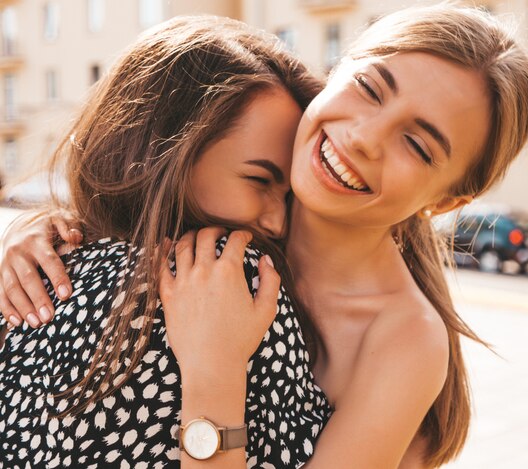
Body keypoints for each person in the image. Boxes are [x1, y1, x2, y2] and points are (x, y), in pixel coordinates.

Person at [0, 4, 528, 468]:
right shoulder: (244, 186)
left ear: (446, 201)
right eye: (370, 88)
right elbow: (144, 185)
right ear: (335, 71)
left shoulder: (404, 343)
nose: (364, 138)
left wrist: (213, 367)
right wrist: (44, 236)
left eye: (417, 146)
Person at [0, 15, 331, 469]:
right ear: (164, 151)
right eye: (259, 180)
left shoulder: (45, 272)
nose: (277, 220)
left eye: (289, 194)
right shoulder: (232, 276)